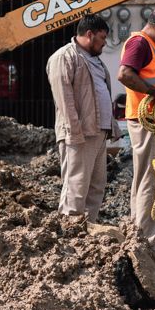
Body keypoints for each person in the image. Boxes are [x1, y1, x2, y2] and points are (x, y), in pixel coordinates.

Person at [117, 10, 155, 256]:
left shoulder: (147, 45)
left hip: (152, 121)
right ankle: (148, 240)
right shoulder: (140, 43)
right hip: (146, 122)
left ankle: (140, 233)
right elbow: (124, 75)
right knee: (151, 179)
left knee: (148, 177)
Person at [45, 14, 114, 224]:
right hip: (80, 134)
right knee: (76, 185)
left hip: (99, 132)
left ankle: (89, 233)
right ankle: (70, 234)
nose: (104, 43)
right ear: (89, 34)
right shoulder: (64, 57)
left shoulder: (95, 60)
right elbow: (64, 100)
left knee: (96, 186)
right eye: (102, 38)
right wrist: (74, 133)